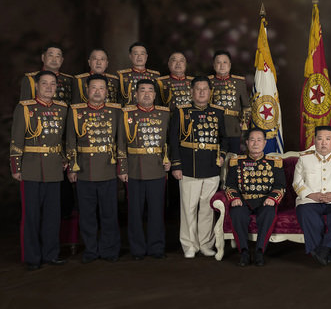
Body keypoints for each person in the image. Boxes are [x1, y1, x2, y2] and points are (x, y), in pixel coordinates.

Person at [10, 71, 68, 270]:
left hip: (53, 167)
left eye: (53, 84)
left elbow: (63, 139)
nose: (49, 87)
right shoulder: (25, 108)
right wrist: (16, 166)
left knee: (53, 215)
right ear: (36, 86)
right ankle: (32, 257)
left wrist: (65, 158)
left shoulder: (62, 109)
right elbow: (17, 139)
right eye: (45, 83)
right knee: (31, 215)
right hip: (31, 167)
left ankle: (50, 254)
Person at [66, 74, 126, 263]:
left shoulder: (116, 111)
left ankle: (110, 250)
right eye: (94, 88)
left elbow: (121, 142)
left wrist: (122, 168)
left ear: (106, 91)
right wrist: (72, 168)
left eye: (101, 88)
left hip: (108, 168)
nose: (97, 91)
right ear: (87, 90)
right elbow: (70, 141)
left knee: (109, 213)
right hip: (84, 169)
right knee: (87, 215)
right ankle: (91, 250)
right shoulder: (76, 111)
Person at [169, 76, 227, 259]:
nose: (201, 92)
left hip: (210, 167)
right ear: (191, 92)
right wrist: (176, 165)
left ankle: (205, 244)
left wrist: (222, 156)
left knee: (207, 209)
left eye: (205, 89)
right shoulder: (180, 112)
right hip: (188, 168)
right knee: (188, 208)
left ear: (210, 92)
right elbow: (173, 140)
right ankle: (189, 244)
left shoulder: (218, 112)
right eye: (198, 89)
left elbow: (224, 138)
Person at [118, 79, 170, 260]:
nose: (147, 94)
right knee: (135, 211)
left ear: (155, 95)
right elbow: (121, 143)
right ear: (136, 94)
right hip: (134, 169)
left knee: (157, 211)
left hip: (156, 167)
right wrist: (123, 168)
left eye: (150, 91)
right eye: (142, 90)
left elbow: (169, 140)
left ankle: (157, 247)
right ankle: (137, 249)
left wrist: (168, 160)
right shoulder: (126, 114)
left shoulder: (164, 114)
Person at [293, 126, 331, 266]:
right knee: (304, 212)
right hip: (310, 200)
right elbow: (297, 182)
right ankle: (324, 251)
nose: (323, 143)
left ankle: (324, 249)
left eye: (327, 139)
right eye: (320, 139)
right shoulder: (304, 159)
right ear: (315, 140)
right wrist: (310, 194)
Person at [225, 128, 286, 266]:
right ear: (247, 142)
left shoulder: (274, 162)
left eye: (259, 140)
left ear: (265, 143)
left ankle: (259, 251)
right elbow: (230, 185)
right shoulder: (237, 162)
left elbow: (280, 185)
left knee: (269, 213)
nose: (255, 143)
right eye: (252, 140)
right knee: (237, 213)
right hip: (243, 201)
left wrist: (272, 198)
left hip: (265, 201)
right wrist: (235, 198)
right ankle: (244, 252)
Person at [209, 50, 251, 153]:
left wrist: (244, 123)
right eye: (218, 62)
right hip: (214, 127)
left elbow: (246, 106)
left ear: (230, 65)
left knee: (233, 160)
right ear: (214, 65)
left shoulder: (239, 82)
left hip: (234, 127)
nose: (222, 65)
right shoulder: (208, 82)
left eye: (225, 62)